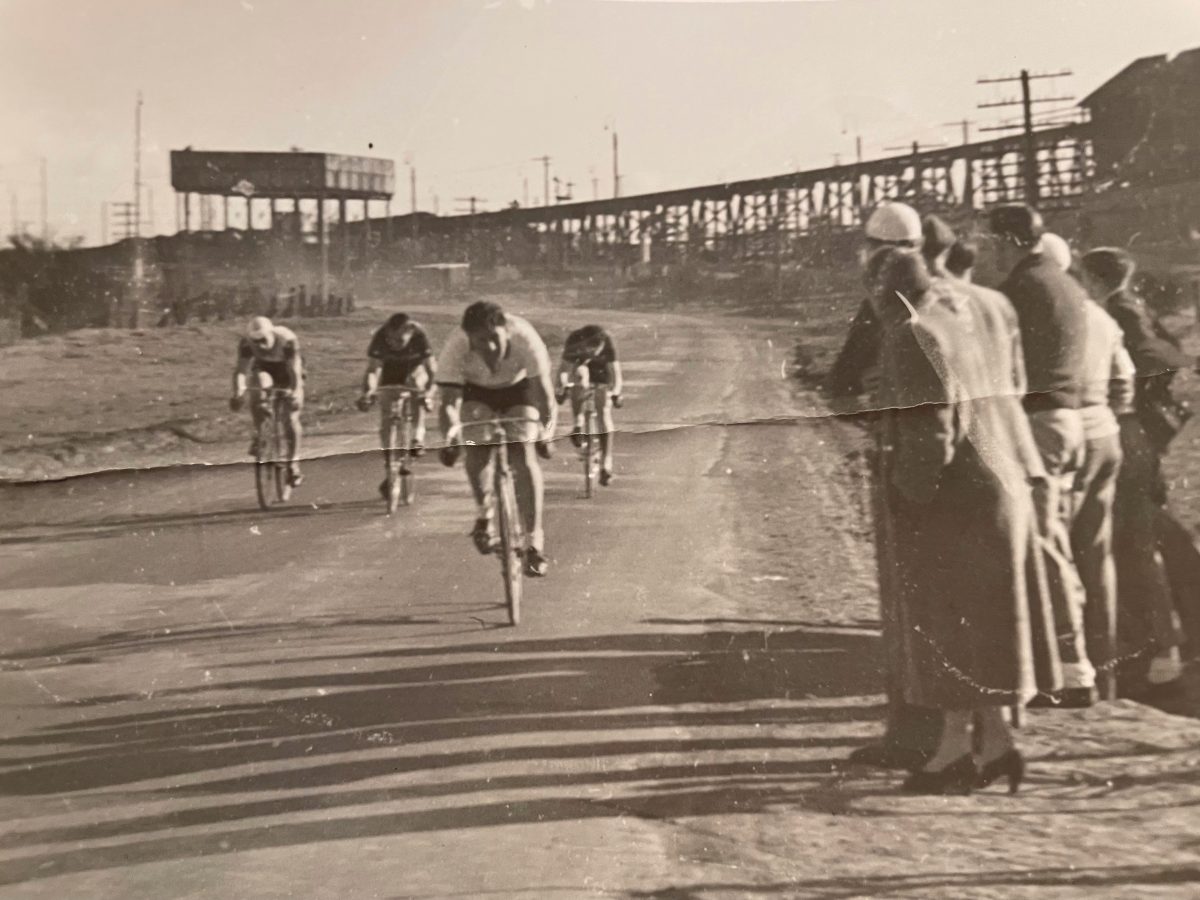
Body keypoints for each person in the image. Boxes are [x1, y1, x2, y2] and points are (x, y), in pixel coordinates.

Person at [872, 247, 1060, 794]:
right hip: (998, 489)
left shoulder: (913, 334)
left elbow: (932, 431)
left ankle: (954, 754)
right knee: (978, 629)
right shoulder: (956, 322)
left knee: (949, 625)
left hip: (957, 503)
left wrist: (909, 498)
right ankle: (995, 745)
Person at [828, 201, 942, 771]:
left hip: (907, 461)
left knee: (907, 605)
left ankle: (913, 732)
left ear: (872, 251)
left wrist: (873, 423)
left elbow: (841, 383)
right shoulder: (952, 295)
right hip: (967, 470)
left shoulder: (884, 305)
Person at [989, 204, 1095, 704]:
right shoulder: (1065, 282)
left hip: (1040, 422)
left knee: (1041, 540)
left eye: (991, 241)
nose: (987, 251)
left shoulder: (1019, 289)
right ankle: (1065, 662)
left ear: (1009, 241)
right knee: (1053, 535)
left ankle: (1071, 668)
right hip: (1068, 418)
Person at [1080, 248, 1190, 694]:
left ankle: (1165, 646)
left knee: (1137, 542)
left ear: (1096, 280)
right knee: (1144, 536)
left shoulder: (1120, 312)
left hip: (1129, 435)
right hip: (1137, 436)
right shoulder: (1130, 308)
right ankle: (1168, 640)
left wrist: (1133, 405)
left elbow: (1157, 357)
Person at [1063, 242, 1135, 702]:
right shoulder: (1105, 319)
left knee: (1060, 554)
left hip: (1073, 439)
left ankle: (1073, 670)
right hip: (1107, 434)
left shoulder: (1062, 314)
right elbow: (1124, 382)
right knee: (1097, 554)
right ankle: (1106, 673)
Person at [436, 301, 555, 577]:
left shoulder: (525, 338)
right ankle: (485, 514)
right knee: (476, 450)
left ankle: (534, 543)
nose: (489, 347)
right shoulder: (456, 346)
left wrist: (545, 435)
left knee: (523, 456)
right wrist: (451, 439)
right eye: (480, 341)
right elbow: (449, 404)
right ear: (469, 338)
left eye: (494, 338)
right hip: (475, 392)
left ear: (507, 330)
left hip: (518, 389)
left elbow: (544, 397)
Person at [356, 312, 437, 499]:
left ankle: (417, 437)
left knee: (417, 386)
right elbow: (373, 370)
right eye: (391, 340)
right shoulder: (380, 337)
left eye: (400, 340)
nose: (394, 344)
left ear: (410, 332)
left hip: (414, 369)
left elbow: (432, 373)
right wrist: (368, 392)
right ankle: (389, 462)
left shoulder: (419, 336)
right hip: (390, 371)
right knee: (386, 412)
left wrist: (428, 396)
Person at [230, 316, 305, 487]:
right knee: (256, 387)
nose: (260, 345)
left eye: (263, 340)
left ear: (271, 334)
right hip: (264, 370)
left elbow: (295, 373)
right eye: (255, 342)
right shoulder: (246, 343)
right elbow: (241, 372)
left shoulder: (286, 340)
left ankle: (293, 463)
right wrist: (238, 394)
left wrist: (294, 393)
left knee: (291, 418)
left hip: (288, 372)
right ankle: (260, 433)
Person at [556, 324, 624, 485]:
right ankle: (578, 423)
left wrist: (615, 393)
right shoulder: (574, 341)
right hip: (582, 368)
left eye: (597, 350)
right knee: (578, 379)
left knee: (603, 409)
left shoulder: (607, 342)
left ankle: (606, 465)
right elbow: (563, 371)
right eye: (590, 350)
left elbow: (616, 374)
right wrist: (562, 388)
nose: (594, 353)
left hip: (602, 373)